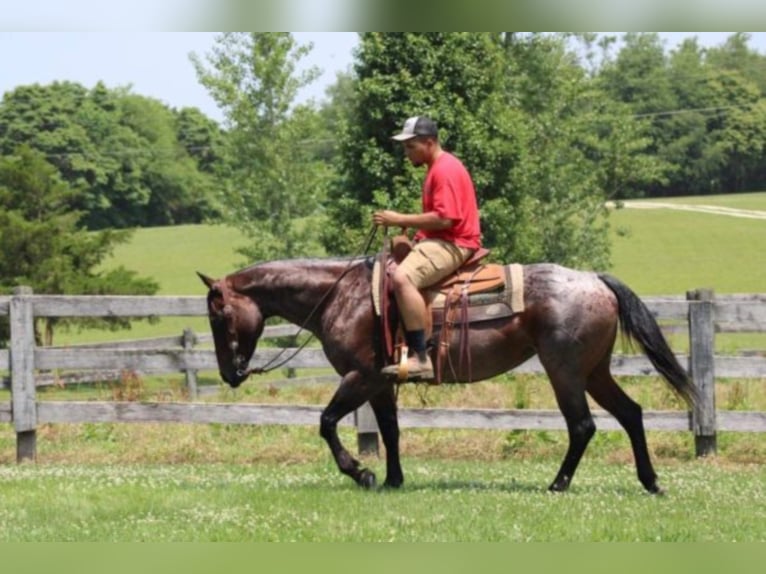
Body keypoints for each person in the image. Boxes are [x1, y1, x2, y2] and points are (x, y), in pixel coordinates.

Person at [373, 116, 482, 381]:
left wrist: (399, 219)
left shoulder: (444, 170)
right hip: (443, 239)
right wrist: (419, 235)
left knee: (402, 277)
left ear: (429, 142)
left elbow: (446, 218)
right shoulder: (438, 167)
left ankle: (421, 359)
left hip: (455, 243)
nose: (406, 152)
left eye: (411, 146)